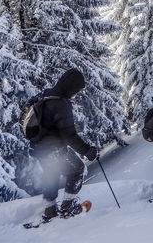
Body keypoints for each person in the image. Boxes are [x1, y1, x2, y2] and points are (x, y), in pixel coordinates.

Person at [30, 68, 99, 223]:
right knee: (77, 169)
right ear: (72, 86)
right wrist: (88, 151)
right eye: (77, 89)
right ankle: (67, 207)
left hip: (38, 148)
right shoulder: (61, 103)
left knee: (51, 175)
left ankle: (50, 210)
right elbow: (69, 135)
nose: (76, 93)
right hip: (54, 149)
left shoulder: (46, 94)